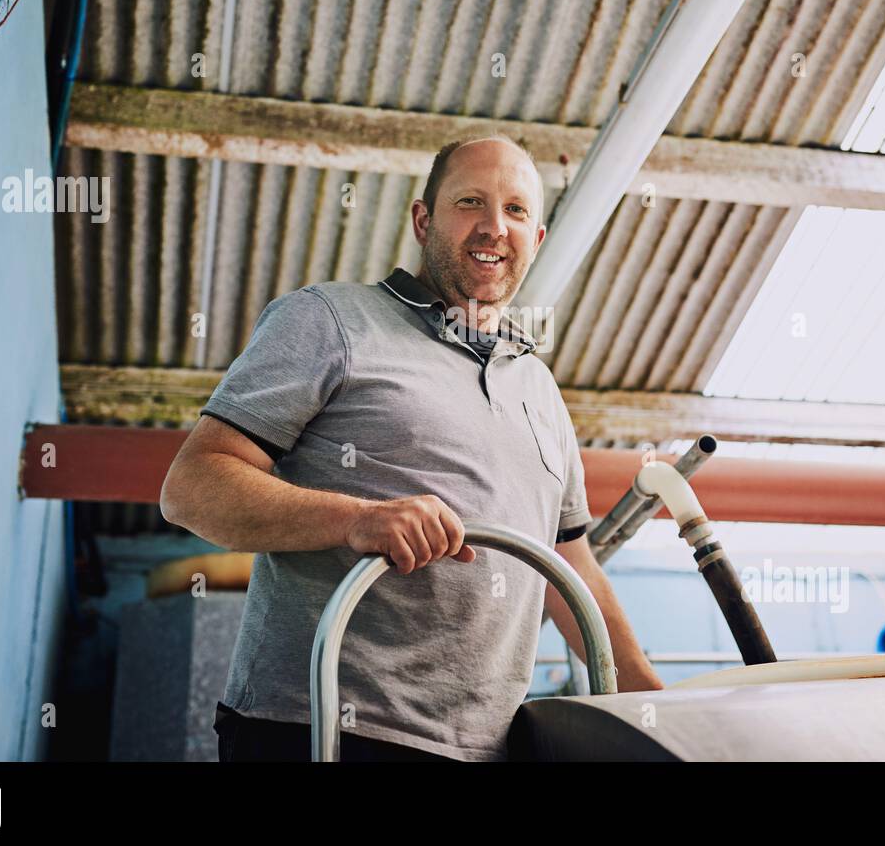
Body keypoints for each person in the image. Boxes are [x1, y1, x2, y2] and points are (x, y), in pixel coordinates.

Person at [160, 135, 663, 762]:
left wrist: (655, 704)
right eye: (470, 201)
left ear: (535, 239)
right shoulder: (332, 319)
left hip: (484, 748)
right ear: (423, 219)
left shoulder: (541, 391)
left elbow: (568, 572)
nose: (492, 226)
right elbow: (192, 487)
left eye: (515, 211)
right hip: (323, 728)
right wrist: (358, 520)